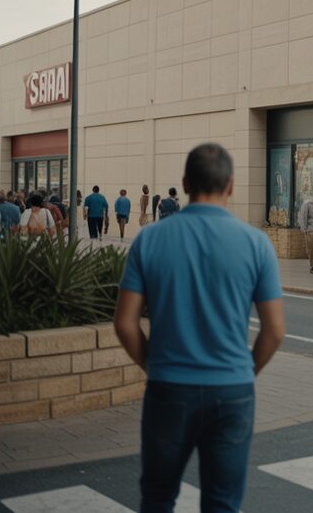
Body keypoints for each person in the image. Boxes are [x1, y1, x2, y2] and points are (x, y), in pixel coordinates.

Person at [115, 143, 285, 512]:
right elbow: (274, 330)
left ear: (185, 183)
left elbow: (125, 323)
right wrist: (246, 370)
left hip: (168, 387)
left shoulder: (150, 239)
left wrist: (152, 365)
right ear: (231, 186)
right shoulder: (256, 244)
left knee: (158, 497)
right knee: (222, 503)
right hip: (232, 390)